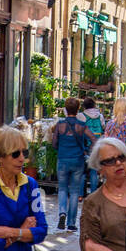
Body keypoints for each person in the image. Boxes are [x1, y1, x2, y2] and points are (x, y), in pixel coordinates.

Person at [53, 98, 95, 231]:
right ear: (78, 110)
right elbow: (94, 139)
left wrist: (61, 148)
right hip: (78, 161)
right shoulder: (82, 125)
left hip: (63, 159)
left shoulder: (60, 125)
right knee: (75, 191)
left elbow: (54, 143)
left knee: (63, 189)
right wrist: (89, 151)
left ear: (66, 109)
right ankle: (71, 223)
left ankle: (62, 212)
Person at [79, 96, 105, 196]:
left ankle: (81, 194)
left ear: (84, 106)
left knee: (83, 170)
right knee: (94, 171)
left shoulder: (81, 116)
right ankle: (93, 194)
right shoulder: (100, 116)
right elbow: (103, 127)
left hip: (85, 144)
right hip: (97, 145)